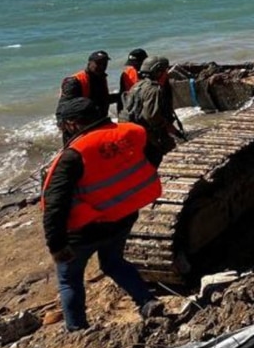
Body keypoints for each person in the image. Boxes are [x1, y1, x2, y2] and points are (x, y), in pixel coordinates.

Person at [42, 97, 164, 331]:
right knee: (114, 262)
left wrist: (56, 245)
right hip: (123, 216)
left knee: (69, 279)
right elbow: (152, 157)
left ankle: (77, 330)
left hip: (84, 230)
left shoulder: (73, 155)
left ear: (73, 124)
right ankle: (147, 302)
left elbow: (55, 204)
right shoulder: (130, 132)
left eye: (63, 126)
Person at [120, 55, 183, 157]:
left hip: (130, 129)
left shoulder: (137, 85)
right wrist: (167, 129)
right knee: (169, 149)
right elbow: (151, 117)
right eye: (165, 71)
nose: (166, 74)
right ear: (158, 72)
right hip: (143, 132)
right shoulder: (154, 89)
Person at [59, 50, 121, 117]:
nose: (102, 66)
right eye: (98, 63)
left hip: (100, 120)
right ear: (89, 63)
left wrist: (123, 96)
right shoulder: (74, 81)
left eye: (105, 63)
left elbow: (102, 100)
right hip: (82, 123)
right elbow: (63, 109)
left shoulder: (101, 78)